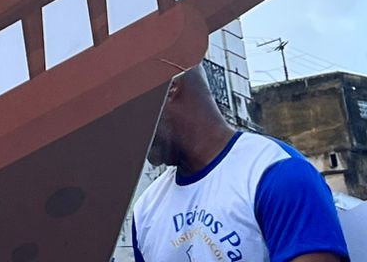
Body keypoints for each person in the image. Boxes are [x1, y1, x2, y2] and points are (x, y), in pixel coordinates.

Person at [130, 63, 349, 262]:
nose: (122, 128)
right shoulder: (145, 212)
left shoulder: (276, 173)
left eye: (126, 106)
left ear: (171, 85)